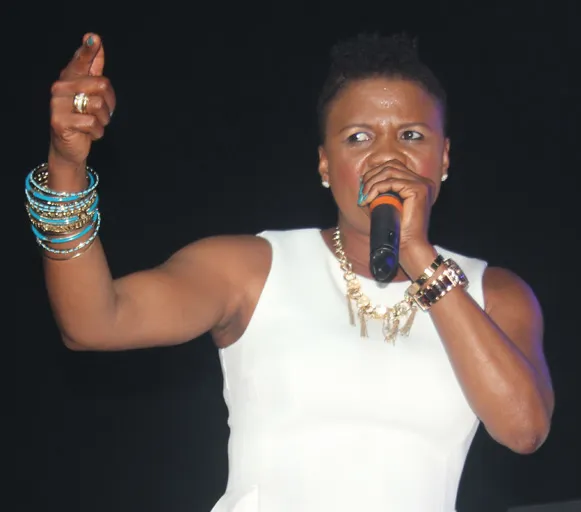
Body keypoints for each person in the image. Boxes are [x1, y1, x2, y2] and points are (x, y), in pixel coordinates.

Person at [28, 31, 554, 512]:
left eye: (412, 135)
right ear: (325, 164)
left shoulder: (493, 293)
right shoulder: (253, 269)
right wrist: (65, 165)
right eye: (359, 138)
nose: (386, 157)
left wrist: (418, 256)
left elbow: (524, 428)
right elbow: (94, 322)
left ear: (444, 157)